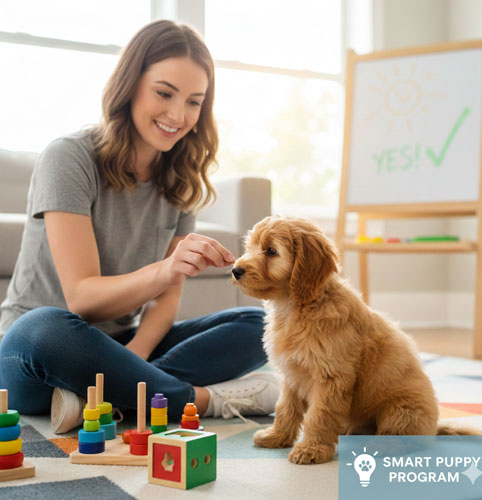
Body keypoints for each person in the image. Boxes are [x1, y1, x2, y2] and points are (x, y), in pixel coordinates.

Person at [0, 20, 278, 433]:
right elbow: (81, 300)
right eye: (164, 93)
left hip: (121, 344)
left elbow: (165, 303)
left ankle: (109, 396)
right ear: (130, 85)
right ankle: (198, 400)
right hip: (41, 352)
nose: (177, 115)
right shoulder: (69, 158)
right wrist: (166, 269)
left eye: (193, 102)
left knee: (257, 324)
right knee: (45, 327)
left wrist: (137, 356)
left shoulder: (181, 177)